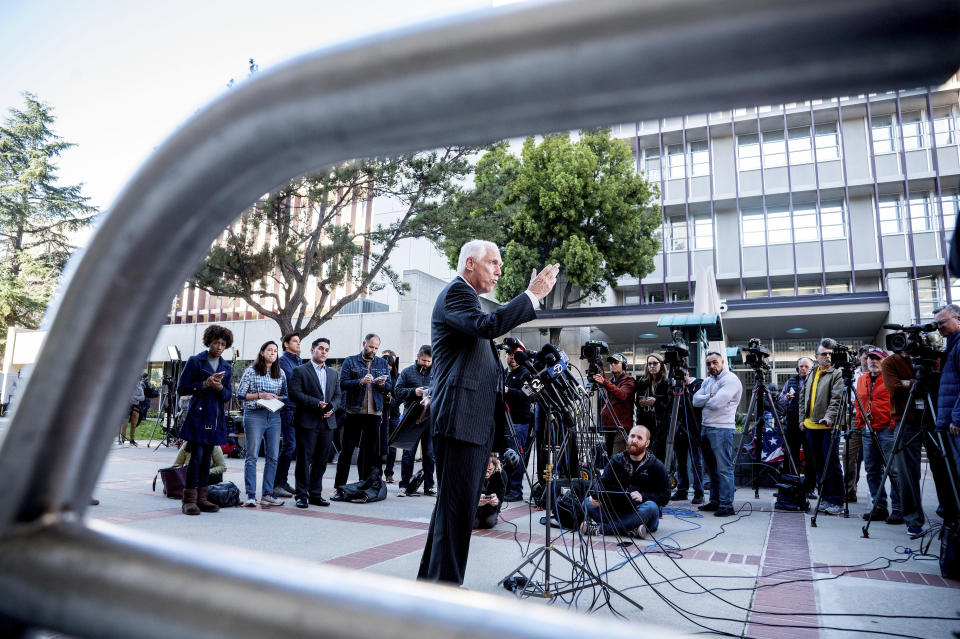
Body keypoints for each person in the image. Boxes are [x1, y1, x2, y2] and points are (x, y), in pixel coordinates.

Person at [417, 239, 558, 585]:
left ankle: (432, 586)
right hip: (460, 422)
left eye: (499, 264)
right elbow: (489, 327)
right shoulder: (457, 294)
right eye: (493, 262)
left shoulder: (471, 302)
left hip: (472, 425)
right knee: (456, 512)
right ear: (469, 263)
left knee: (453, 513)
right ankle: (442, 591)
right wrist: (531, 296)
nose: (499, 269)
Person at [176, 325, 234, 516]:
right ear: (209, 341)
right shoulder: (195, 361)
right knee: (197, 458)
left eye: (223, 344)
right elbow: (182, 388)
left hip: (215, 418)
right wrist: (204, 384)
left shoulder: (226, 367)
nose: (219, 347)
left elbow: (227, 396)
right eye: (216, 342)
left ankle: (202, 498)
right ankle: (189, 500)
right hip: (198, 416)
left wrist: (218, 388)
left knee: (207, 458)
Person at [580, 424, 669, 538]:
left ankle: (603, 528)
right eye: (632, 436)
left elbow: (665, 495)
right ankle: (631, 529)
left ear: (647, 443)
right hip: (616, 511)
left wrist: (644, 497)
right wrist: (595, 495)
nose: (634, 440)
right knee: (587, 502)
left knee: (651, 507)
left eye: (639, 438)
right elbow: (602, 482)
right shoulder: (616, 460)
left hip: (640, 511)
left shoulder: (656, 466)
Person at [289, 337, 341, 509]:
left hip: (327, 423)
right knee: (304, 460)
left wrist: (332, 408)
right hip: (307, 422)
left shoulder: (333, 373)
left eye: (326, 349)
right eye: (320, 348)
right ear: (312, 351)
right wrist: (316, 403)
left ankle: (315, 494)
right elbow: (295, 394)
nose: (324, 352)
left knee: (321, 460)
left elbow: (338, 396)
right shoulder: (300, 371)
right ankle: (301, 495)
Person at [336, 334, 393, 488]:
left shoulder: (382, 363)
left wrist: (382, 384)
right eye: (370, 346)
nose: (373, 350)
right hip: (354, 412)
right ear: (364, 343)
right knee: (347, 450)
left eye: (376, 348)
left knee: (369, 452)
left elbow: (390, 386)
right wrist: (359, 382)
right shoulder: (350, 360)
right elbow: (343, 383)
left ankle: (363, 486)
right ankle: (339, 486)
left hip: (374, 413)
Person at [236, 340, 288, 508]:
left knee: (273, 456)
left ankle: (268, 494)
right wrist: (260, 395)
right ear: (262, 352)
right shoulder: (251, 371)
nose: (273, 353)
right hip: (254, 415)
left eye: (275, 351)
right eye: (269, 350)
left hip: (274, 416)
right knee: (252, 456)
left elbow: (285, 396)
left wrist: (274, 397)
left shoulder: (281, 373)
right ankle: (251, 495)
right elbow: (240, 394)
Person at [692, 351, 743, 517]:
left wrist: (706, 399)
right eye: (708, 364)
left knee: (724, 469)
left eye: (714, 362)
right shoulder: (708, 381)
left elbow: (717, 403)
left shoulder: (731, 380)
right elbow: (695, 400)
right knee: (711, 468)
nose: (712, 366)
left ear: (722, 361)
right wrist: (709, 396)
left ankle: (727, 505)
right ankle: (715, 501)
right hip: (706, 427)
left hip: (722, 429)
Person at [799, 339, 845, 516]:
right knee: (818, 464)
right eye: (824, 354)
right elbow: (803, 396)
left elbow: (836, 399)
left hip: (828, 426)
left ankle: (837, 500)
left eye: (830, 354)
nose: (828, 357)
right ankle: (825, 497)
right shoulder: (812, 372)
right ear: (816, 356)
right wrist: (802, 420)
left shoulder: (837, 373)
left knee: (831, 464)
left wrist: (829, 417)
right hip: (811, 426)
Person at [856, 347, 901, 523]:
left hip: (887, 430)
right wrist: (860, 423)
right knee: (872, 470)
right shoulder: (862, 379)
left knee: (893, 470)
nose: (874, 361)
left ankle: (898, 508)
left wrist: (892, 425)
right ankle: (879, 506)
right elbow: (859, 403)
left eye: (878, 359)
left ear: (884, 361)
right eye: (871, 359)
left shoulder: (890, 378)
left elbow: (897, 401)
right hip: (868, 429)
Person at [395, 345, 436, 497]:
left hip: (430, 417)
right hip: (411, 417)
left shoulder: (437, 372)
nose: (426, 364)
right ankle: (404, 485)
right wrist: (414, 391)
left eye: (429, 361)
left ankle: (429, 486)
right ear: (418, 357)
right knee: (408, 453)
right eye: (424, 360)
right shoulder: (407, 372)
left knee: (429, 454)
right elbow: (397, 391)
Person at [777, 357, 816, 496]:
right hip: (792, 422)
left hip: (809, 423)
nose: (803, 369)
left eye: (806, 366)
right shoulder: (790, 382)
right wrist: (786, 397)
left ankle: (809, 488)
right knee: (790, 454)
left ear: (812, 368)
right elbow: (780, 400)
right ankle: (788, 486)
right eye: (801, 366)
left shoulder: (815, 382)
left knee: (810, 455)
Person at [274, 332, 303, 499]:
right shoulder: (283, 361)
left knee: (293, 447)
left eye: (299, 342)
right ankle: (278, 483)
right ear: (286, 344)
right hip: (287, 408)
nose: (298, 344)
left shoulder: (298, 360)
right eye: (295, 341)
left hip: (298, 408)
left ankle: (283, 481)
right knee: (289, 446)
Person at [502, 350, 534, 501]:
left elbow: (528, 394)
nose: (512, 358)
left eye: (515, 355)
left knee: (516, 457)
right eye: (510, 354)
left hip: (519, 422)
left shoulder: (526, 373)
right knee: (505, 457)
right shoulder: (503, 373)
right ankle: (506, 488)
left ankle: (516, 491)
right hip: (504, 421)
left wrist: (508, 391)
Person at [670, 366, 704, 504]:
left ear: (687, 373)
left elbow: (697, 404)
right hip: (678, 430)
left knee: (696, 462)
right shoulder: (674, 387)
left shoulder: (699, 384)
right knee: (680, 463)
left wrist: (687, 388)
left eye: (681, 373)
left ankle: (699, 492)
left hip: (694, 429)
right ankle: (682, 490)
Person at [592, 353, 636, 457]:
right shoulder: (611, 381)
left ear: (623, 365)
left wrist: (605, 383)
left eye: (616, 362)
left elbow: (622, 395)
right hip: (608, 426)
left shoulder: (629, 381)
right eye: (611, 363)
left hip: (621, 427)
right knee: (610, 457)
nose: (613, 365)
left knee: (616, 458)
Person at [934, 304, 960, 481]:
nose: (939, 328)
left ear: (958, 319)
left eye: (942, 322)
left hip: (956, 423)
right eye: (936, 324)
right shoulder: (952, 346)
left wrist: (958, 417)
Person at [635, 353, 670, 461]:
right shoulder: (643, 381)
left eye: (655, 363)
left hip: (661, 425)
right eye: (649, 364)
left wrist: (656, 401)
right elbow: (637, 402)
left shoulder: (666, 382)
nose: (652, 366)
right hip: (645, 423)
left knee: (659, 455)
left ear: (661, 365)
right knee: (645, 454)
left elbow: (670, 405)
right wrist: (641, 403)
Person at [379, 349, 401, 484]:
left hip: (393, 415)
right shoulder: (378, 376)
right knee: (380, 446)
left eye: (391, 364)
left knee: (392, 447)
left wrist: (391, 401)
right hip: (380, 414)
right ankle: (377, 473)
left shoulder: (396, 378)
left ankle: (389, 473)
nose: (388, 367)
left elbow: (400, 397)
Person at [474, 453, 506, 530]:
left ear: (495, 467)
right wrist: (475, 502)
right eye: (484, 470)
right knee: (474, 523)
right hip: (474, 509)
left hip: (490, 509)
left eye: (490, 470)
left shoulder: (501, 474)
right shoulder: (474, 473)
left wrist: (497, 502)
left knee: (489, 522)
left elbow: (501, 498)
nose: (487, 474)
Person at [120, 375, 146, 446]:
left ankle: (132, 440)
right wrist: (137, 397)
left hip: (135, 407)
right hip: (127, 407)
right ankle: (122, 439)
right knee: (124, 424)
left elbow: (143, 398)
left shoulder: (140, 387)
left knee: (134, 424)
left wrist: (134, 397)